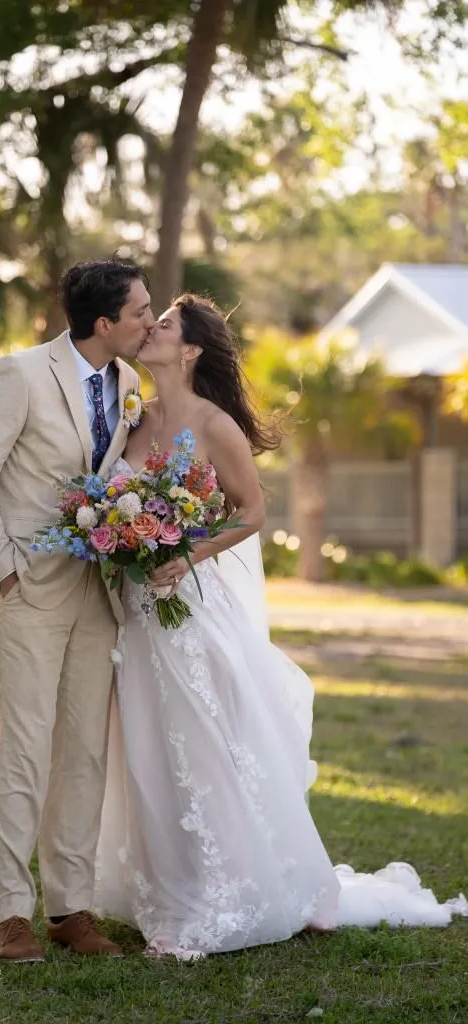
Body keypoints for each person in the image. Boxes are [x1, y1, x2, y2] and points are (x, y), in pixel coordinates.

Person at [93, 294, 467, 959]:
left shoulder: (214, 426)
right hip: (137, 616)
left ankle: (223, 899)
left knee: (205, 751)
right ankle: (169, 888)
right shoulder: (130, 417)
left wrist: (185, 554)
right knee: (150, 755)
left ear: (190, 351)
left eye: (166, 324)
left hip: (191, 610)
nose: (150, 328)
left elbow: (251, 511)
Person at [0, 258, 153, 963]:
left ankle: (70, 908)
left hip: (99, 593)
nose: (148, 322)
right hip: (30, 591)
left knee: (84, 756)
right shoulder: (19, 374)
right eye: (139, 312)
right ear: (104, 323)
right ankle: (10, 915)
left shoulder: (128, 383)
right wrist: (4, 572)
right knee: (24, 753)